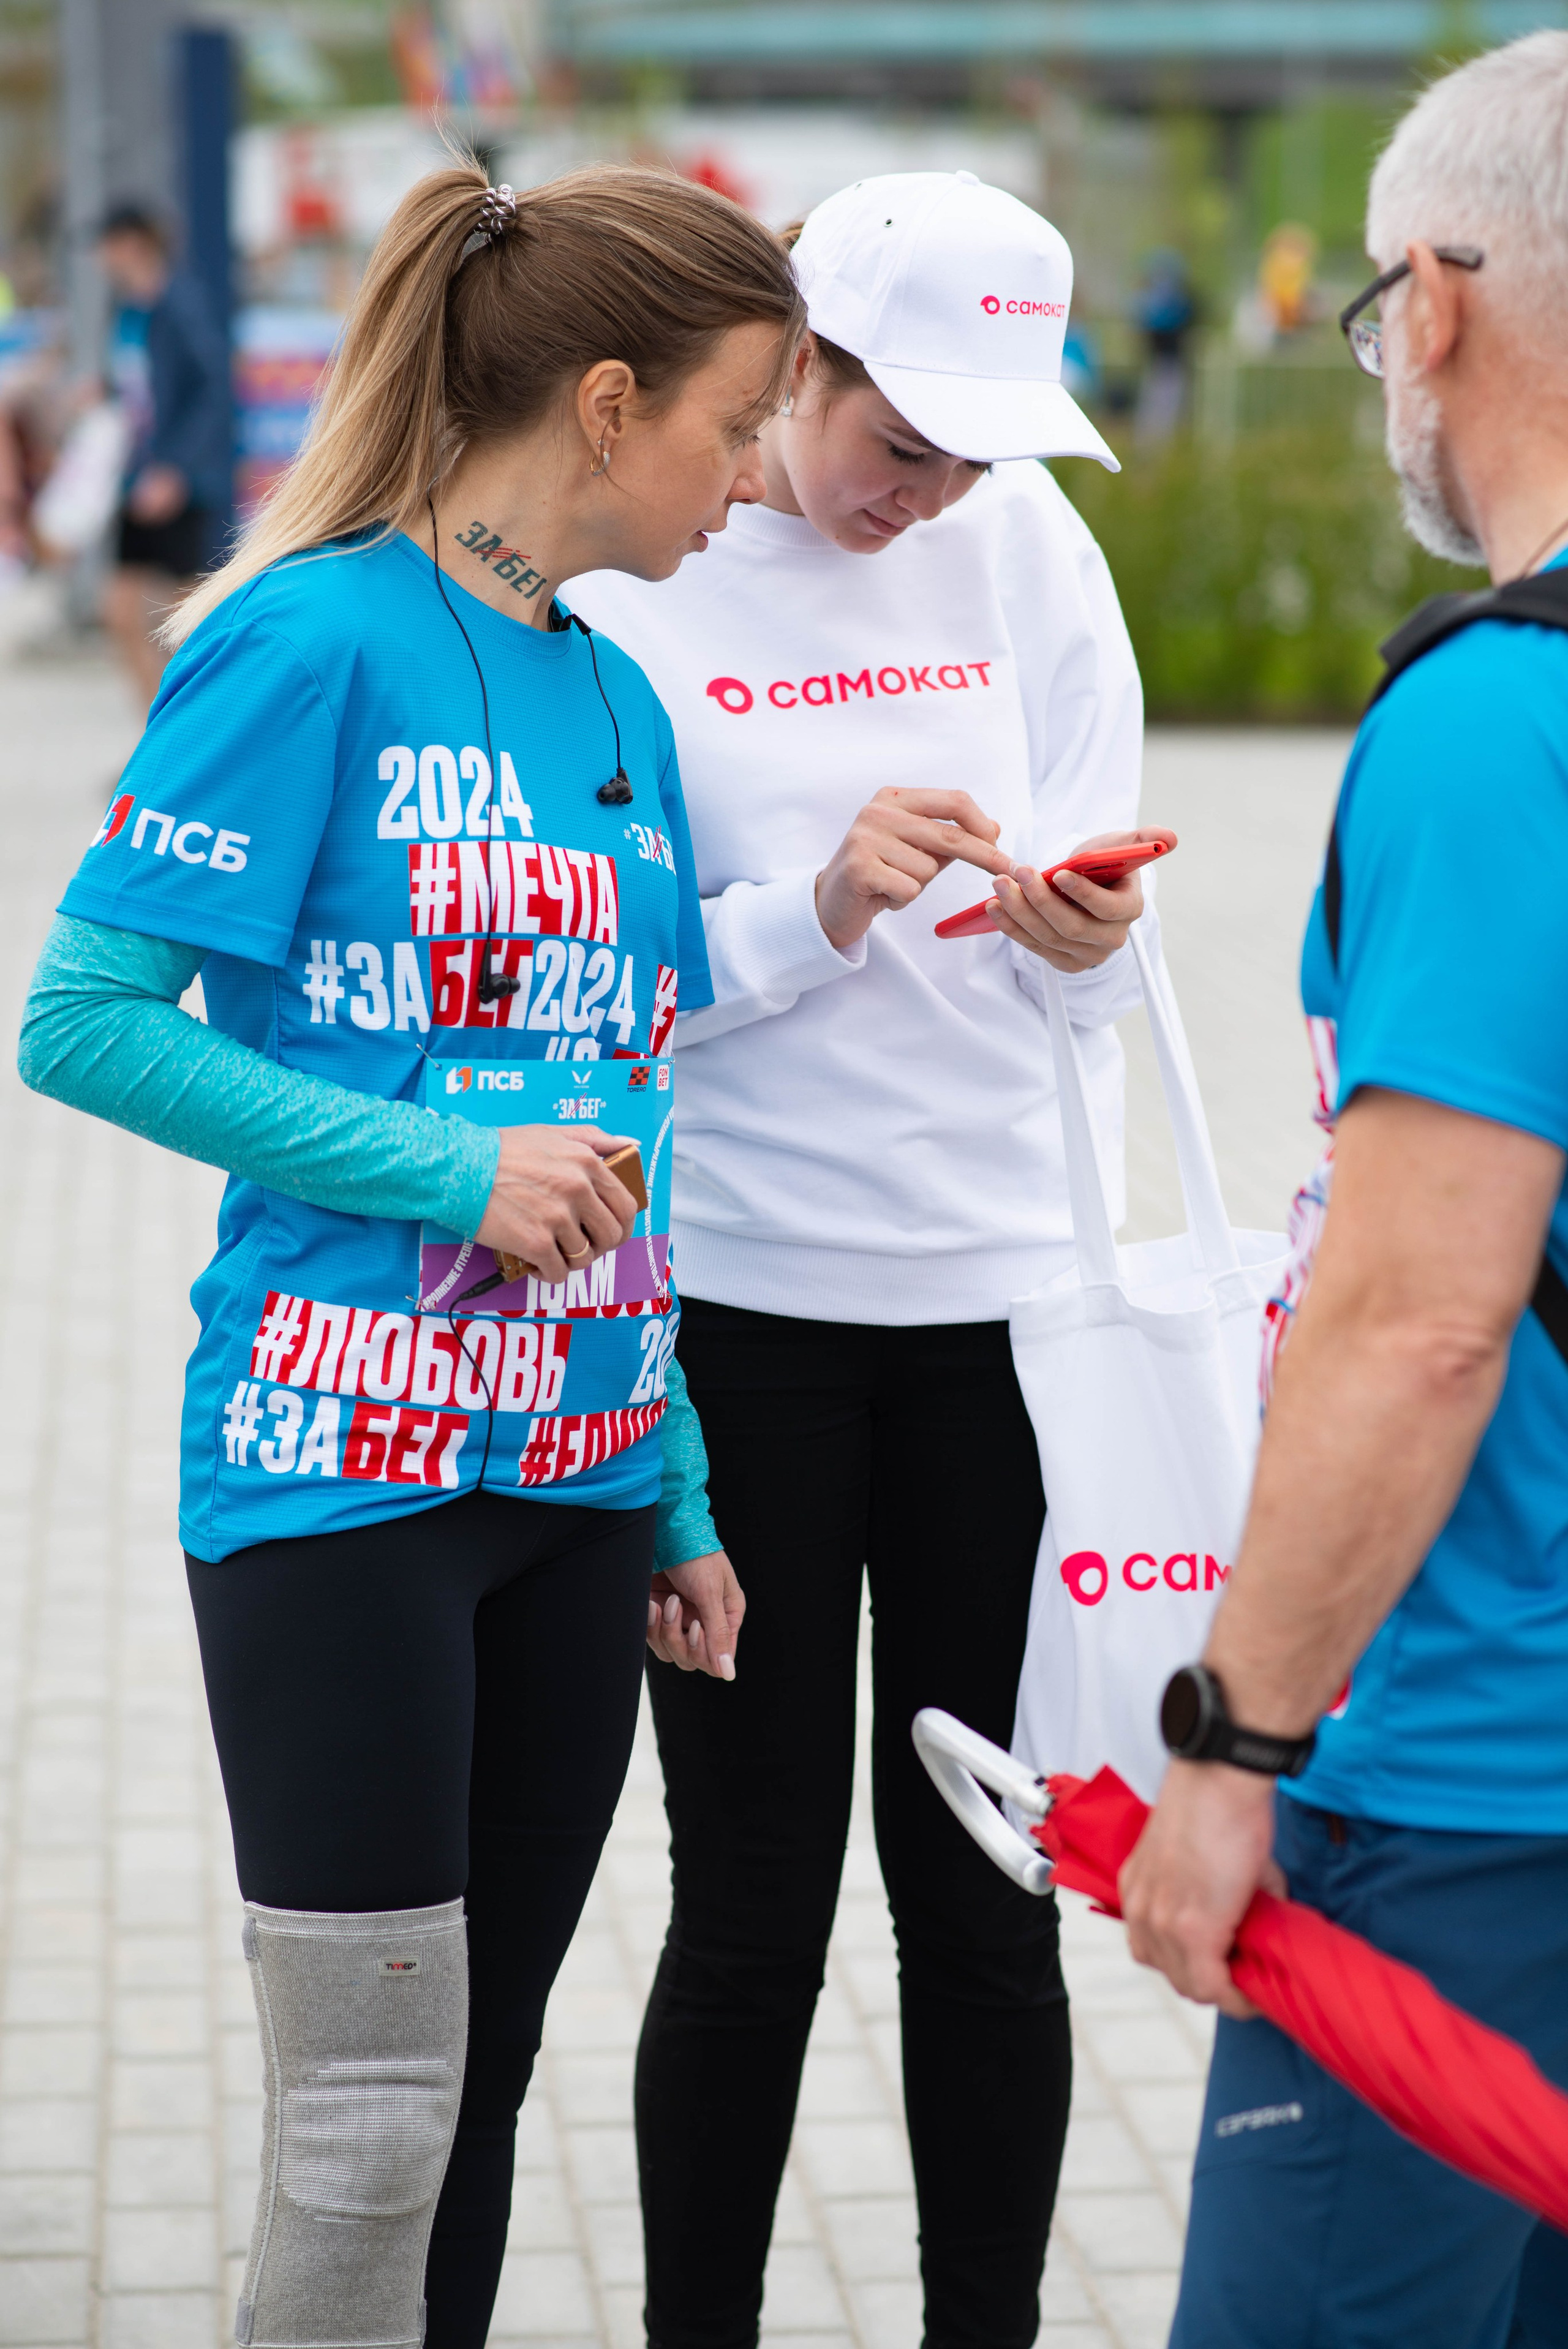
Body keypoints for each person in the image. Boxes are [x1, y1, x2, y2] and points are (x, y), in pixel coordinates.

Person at [18, 161, 802, 2349]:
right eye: (739, 427)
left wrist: (676, 1483)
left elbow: (631, 1118)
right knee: (365, 2129)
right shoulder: (301, 636)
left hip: (575, 1492)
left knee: (471, 2105)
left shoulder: (622, 705)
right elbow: (79, 1023)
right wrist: (446, 1173)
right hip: (335, 1477)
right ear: (617, 398)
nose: (753, 480)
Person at [567, 170, 1169, 2349]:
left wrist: (1085, 942)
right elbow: (594, 986)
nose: (930, 492)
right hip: (732, 1318)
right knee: (742, 1914)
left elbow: (1109, 953)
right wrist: (807, 909)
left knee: (990, 1906)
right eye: (894, 437)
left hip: (998, 1316)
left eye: (978, 448)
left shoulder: (1030, 546)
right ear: (791, 361)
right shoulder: (646, 575)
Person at [1117, 34, 1568, 2349]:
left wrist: (1231, 1749)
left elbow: (1412, 1321)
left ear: (1436, 299)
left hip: (1482, 1790)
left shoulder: (1496, 723)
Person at [96, 201, 230, 710]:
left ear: (134, 244)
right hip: (136, 479)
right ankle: (156, 740)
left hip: (178, 483)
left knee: (187, 622)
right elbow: (140, 389)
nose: (102, 257)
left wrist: (177, 468)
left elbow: (212, 389)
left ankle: (200, 740)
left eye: (108, 244)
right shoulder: (129, 310)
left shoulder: (181, 304)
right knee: (121, 612)